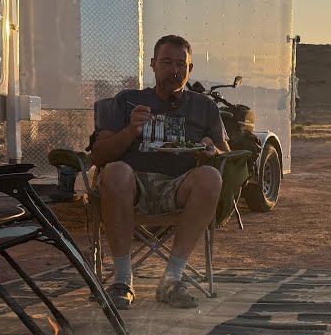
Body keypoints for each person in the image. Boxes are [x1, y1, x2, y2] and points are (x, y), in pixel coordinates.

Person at [90, 34, 228, 309]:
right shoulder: (128, 100)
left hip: (178, 187)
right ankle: (122, 280)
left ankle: (172, 279)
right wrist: (131, 130)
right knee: (115, 170)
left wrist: (212, 150)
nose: (174, 70)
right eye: (166, 62)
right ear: (152, 64)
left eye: (181, 64)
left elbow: (226, 150)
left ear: (190, 69)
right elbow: (99, 154)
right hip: (132, 185)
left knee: (212, 176)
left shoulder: (204, 106)